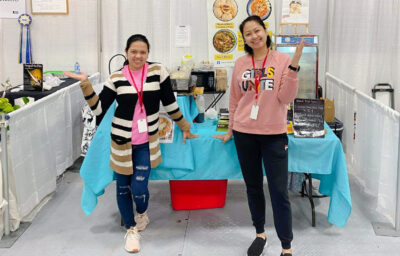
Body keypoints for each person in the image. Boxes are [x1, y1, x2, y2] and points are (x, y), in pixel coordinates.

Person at [65, 34, 199, 254]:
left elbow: (170, 103)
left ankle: (142, 212)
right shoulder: (116, 77)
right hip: (120, 142)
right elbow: (99, 110)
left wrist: (184, 126)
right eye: (134, 51)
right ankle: (131, 229)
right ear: (126, 52)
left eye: (143, 52)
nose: (138, 56)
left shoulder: (158, 72)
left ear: (148, 53)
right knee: (122, 188)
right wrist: (85, 84)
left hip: (146, 142)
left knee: (139, 188)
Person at [214, 16, 304, 256]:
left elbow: (286, 98)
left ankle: (286, 246)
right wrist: (230, 129)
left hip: (274, 135)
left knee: (278, 191)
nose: (254, 36)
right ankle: (260, 234)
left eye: (257, 30)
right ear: (244, 39)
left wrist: (294, 66)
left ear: (265, 31)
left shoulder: (282, 60)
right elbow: (235, 100)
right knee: (253, 187)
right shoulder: (241, 63)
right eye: (248, 33)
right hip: (245, 134)